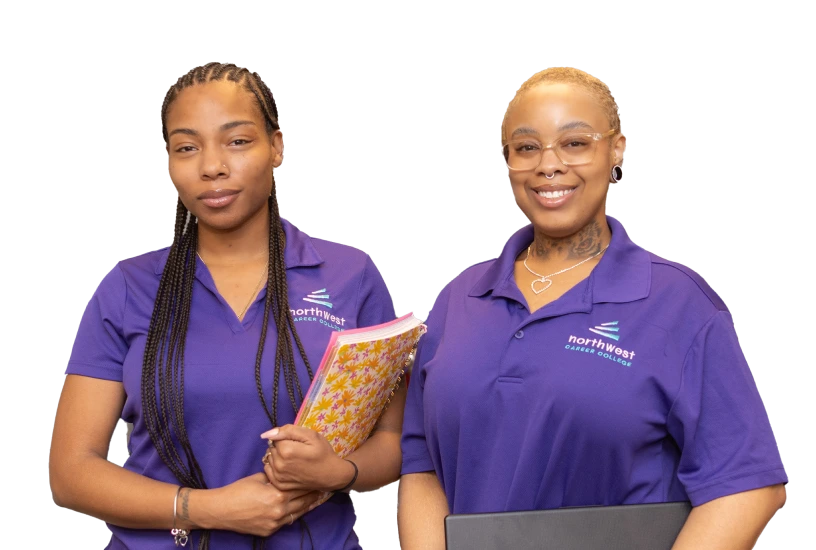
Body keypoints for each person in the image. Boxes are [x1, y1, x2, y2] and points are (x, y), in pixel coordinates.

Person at [397, 66, 788, 549]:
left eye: (575, 143)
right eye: (526, 147)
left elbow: (748, 485)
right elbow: (423, 467)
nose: (549, 164)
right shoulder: (460, 298)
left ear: (616, 149)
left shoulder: (676, 304)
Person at [48, 61, 406, 549]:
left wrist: (338, 471)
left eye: (237, 141)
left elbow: (393, 443)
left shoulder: (349, 277)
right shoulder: (128, 288)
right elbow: (71, 472)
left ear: (277, 146)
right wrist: (207, 509)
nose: (212, 166)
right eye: (187, 147)